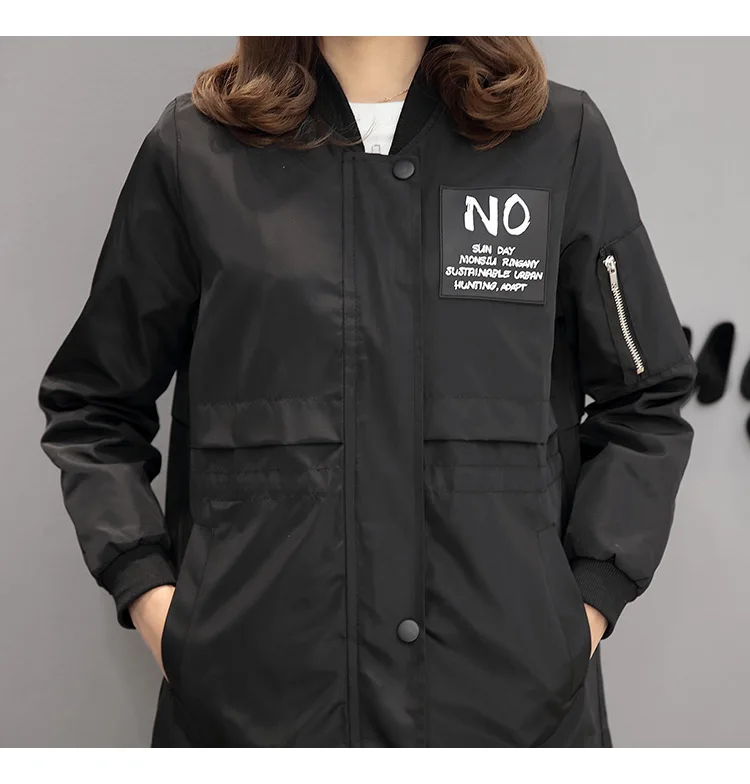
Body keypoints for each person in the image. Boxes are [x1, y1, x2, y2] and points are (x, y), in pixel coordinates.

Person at [38, 36, 697, 748]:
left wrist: (584, 608)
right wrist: (154, 600)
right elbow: (93, 405)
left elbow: (646, 395)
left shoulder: (556, 140)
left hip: (512, 714)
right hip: (259, 716)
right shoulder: (197, 151)